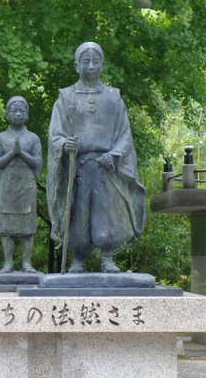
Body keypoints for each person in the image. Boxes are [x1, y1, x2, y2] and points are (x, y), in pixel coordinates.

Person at [47, 42, 146, 273]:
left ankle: (107, 257)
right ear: (76, 65)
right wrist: (64, 144)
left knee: (106, 211)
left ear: (102, 65)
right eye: (85, 61)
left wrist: (114, 154)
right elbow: (55, 134)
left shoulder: (113, 98)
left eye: (95, 61)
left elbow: (125, 135)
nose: (90, 66)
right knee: (78, 213)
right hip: (78, 167)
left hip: (106, 168)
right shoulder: (66, 98)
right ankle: (78, 258)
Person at [0, 96, 42, 273]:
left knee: (27, 227)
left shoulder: (33, 138)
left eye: (22, 110)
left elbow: (37, 163)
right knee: (7, 227)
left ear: (27, 114)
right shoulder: (1, 137)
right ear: (7, 114)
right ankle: (8, 263)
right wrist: (12, 153)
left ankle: (27, 263)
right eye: (14, 110)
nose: (18, 114)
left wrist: (20, 153)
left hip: (26, 185)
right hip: (7, 185)